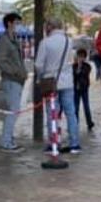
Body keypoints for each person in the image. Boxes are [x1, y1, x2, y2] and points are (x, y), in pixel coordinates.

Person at [34, 19, 80, 153]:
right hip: (67, 81)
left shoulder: (45, 42)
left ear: (49, 27)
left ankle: (54, 142)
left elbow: (38, 65)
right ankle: (74, 143)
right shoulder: (68, 41)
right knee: (71, 113)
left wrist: (40, 76)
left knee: (52, 114)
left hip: (50, 81)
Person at [0, 12, 27, 152]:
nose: (19, 26)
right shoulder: (4, 41)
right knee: (12, 111)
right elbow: (0, 61)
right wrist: (14, 72)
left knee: (14, 111)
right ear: (10, 23)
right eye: (17, 23)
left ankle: (9, 138)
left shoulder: (14, 39)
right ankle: (6, 142)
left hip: (18, 80)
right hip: (10, 80)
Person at [72, 48, 95, 132]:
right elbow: (73, 75)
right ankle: (75, 123)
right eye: (79, 56)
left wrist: (80, 67)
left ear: (85, 57)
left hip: (84, 88)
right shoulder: (73, 66)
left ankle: (89, 123)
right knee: (75, 107)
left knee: (86, 106)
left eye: (82, 56)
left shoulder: (87, 66)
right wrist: (77, 66)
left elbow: (85, 73)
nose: (80, 58)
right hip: (75, 89)